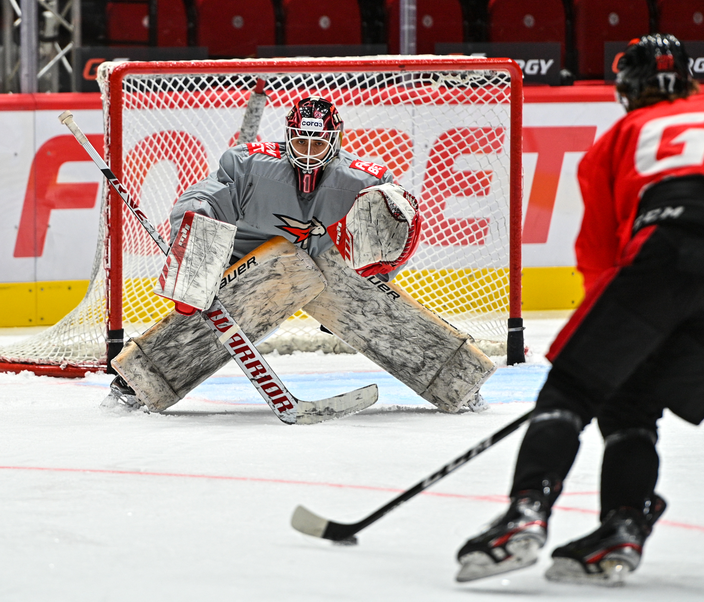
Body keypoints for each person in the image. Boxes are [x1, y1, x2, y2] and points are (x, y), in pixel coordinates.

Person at [455, 34, 704, 585]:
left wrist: (596, 355)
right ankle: (622, 527)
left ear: (626, 91)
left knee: (572, 390)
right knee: (632, 402)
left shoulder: (613, 142)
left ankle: (525, 517)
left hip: (666, 253)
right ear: (692, 80)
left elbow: (599, 262)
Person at [106, 96, 495, 415]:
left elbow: (389, 235)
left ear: (335, 142)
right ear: (288, 138)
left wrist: (378, 280)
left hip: (325, 267)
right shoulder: (250, 166)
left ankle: (455, 379)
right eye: (302, 142)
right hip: (253, 264)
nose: (309, 153)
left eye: (318, 144)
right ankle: (138, 381)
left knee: (375, 305)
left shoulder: (366, 182)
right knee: (244, 296)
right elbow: (204, 198)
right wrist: (193, 249)